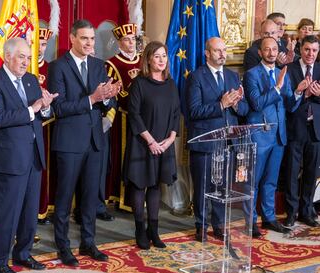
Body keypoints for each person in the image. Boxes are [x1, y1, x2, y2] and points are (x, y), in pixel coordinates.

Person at [47, 19, 120, 267]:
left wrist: (109, 98)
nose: (89, 43)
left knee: (90, 198)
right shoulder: (57, 67)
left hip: (95, 142)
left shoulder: (100, 66)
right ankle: (63, 247)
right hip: (69, 143)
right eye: (84, 38)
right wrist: (92, 98)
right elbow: (59, 107)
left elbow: (105, 103)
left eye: (92, 39)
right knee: (65, 198)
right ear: (72, 38)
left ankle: (88, 243)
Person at [0, 37, 57, 273]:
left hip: (34, 156)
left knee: (29, 211)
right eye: (22, 57)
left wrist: (45, 107)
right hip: (10, 159)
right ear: (8, 56)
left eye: (28, 57)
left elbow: (43, 114)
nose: (26, 62)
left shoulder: (32, 80)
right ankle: (0, 261)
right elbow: (0, 119)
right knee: (8, 213)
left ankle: (23, 254)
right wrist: (32, 109)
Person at [186, 37, 249, 241]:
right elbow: (194, 111)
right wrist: (221, 104)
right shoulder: (196, 77)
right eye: (217, 51)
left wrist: (236, 104)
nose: (223, 54)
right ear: (207, 53)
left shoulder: (232, 76)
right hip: (205, 142)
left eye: (224, 50)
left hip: (228, 142)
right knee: (204, 186)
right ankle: (201, 226)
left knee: (222, 188)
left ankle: (219, 225)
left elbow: (245, 108)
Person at [243, 37, 306, 236]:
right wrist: (277, 88)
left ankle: (268, 218)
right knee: (253, 181)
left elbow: (289, 105)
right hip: (259, 136)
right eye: (267, 50)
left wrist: (297, 92)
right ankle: (250, 221)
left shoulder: (282, 72)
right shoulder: (251, 74)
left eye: (274, 49)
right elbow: (256, 104)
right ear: (260, 52)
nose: (271, 53)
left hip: (279, 135)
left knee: (270, 181)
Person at [123, 41, 179, 249]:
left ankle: (153, 231)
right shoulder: (139, 83)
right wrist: (151, 141)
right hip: (142, 143)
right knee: (140, 185)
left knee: (155, 186)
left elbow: (175, 113)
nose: (161, 60)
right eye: (156, 56)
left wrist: (171, 138)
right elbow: (134, 115)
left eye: (164, 55)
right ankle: (140, 229)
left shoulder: (171, 84)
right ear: (147, 59)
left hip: (164, 144)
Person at [105, 23, 141, 213]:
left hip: (143, 118)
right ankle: (118, 197)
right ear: (119, 42)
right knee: (121, 156)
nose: (131, 43)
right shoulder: (111, 63)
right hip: (123, 118)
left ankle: (136, 198)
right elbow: (111, 94)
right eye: (126, 39)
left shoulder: (144, 60)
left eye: (133, 39)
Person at [284, 35, 320, 228]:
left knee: (311, 172)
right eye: (307, 50)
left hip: (315, 130)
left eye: (314, 50)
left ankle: (307, 211)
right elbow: (286, 103)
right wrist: (300, 93)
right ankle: (291, 212)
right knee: (291, 172)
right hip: (295, 128)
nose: (310, 54)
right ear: (300, 49)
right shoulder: (289, 70)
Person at [37, 26, 54, 226]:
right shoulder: (25, 66)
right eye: (36, 43)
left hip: (48, 126)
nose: (40, 48)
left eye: (43, 44)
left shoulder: (51, 68)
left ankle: (44, 209)